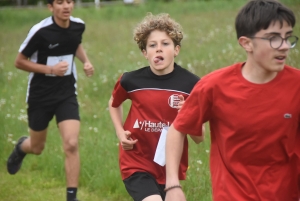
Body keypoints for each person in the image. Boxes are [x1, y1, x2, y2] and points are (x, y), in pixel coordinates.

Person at [164, 0, 300, 201]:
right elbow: (178, 129)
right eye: (273, 38)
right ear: (246, 43)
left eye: (288, 38)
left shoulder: (296, 84)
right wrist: (172, 185)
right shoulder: (214, 86)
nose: (284, 46)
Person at [108, 13, 204, 201]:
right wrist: (120, 133)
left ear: (176, 50)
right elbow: (113, 103)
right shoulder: (131, 80)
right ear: (145, 53)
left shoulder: (192, 84)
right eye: (152, 45)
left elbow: (199, 137)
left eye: (165, 44)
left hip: (169, 166)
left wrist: (188, 113)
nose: (158, 49)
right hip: (136, 161)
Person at [6, 0, 94, 201]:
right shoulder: (40, 31)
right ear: (50, 6)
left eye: (69, 1)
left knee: (71, 143)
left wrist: (86, 62)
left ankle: (72, 197)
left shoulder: (78, 25)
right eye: (60, 2)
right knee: (37, 147)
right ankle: (22, 147)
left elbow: (75, 43)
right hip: (40, 95)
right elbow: (19, 61)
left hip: (66, 93)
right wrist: (51, 70)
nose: (66, 6)